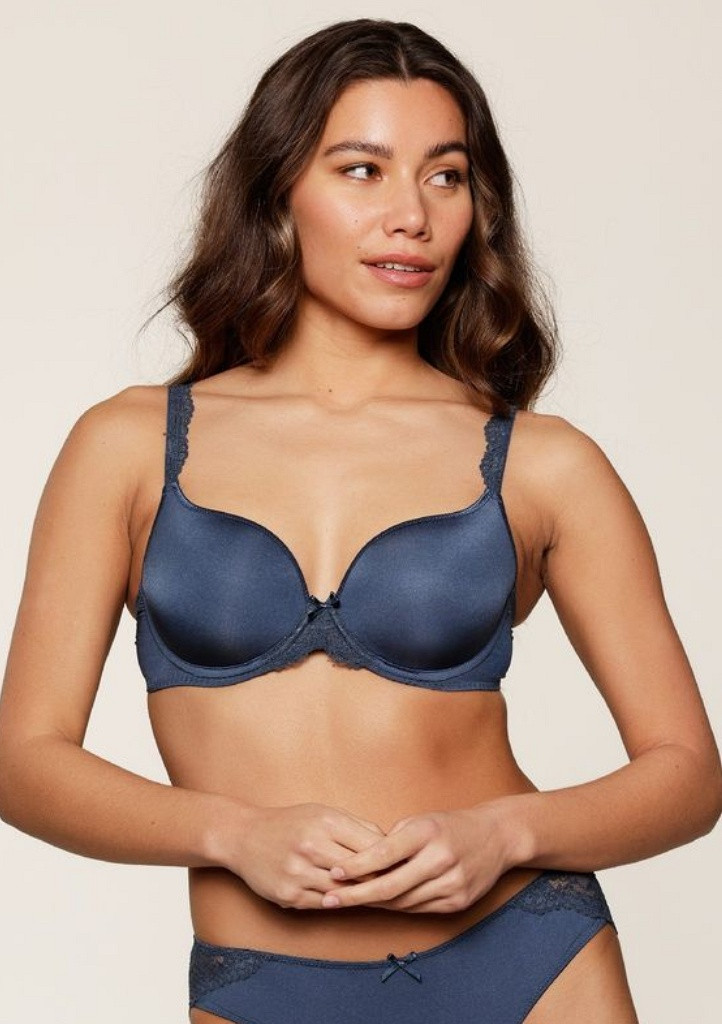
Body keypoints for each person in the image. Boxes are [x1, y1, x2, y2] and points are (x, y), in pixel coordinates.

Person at [0, 17, 720, 1024]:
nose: (410, 216)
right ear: (278, 191)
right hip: (266, 983)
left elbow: (687, 775)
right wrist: (230, 833)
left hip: (530, 960)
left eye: (444, 176)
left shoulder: (542, 463)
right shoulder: (129, 446)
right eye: (361, 170)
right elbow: (25, 762)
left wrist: (505, 834)